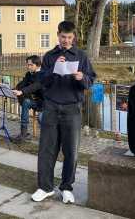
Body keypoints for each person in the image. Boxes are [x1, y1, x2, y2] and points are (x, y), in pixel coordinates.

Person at [31, 21, 96, 204]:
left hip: (72, 109)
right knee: (46, 150)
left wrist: (82, 77)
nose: (66, 40)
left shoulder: (81, 56)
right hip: (51, 107)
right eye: (63, 37)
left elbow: (91, 80)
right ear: (58, 35)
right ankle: (45, 187)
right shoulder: (50, 56)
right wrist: (53, 70)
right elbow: (42, 79)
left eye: (69, 37)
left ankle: (66, 187)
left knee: (71, 152)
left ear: (73, 37)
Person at [12, 55, 43, 142]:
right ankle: (24, 133)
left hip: (44, 103)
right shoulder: (29, 74)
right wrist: (14, 89)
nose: (28, 67)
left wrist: (22, 92)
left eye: (31, 65)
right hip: (34, 101)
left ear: (37, 65)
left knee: (42, 119)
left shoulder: (43, 74)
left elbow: (35, 86)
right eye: (27, 64)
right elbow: (22, 83)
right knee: (25, 102)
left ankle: (49, 138)